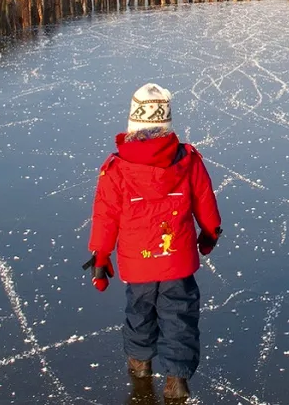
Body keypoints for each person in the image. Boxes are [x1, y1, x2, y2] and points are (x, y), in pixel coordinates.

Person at [84, 83, 222, 401]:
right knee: (179, 316)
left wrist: (101, 256)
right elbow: (205, 201)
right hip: (178, 259)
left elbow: (105, 216)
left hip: (138, 262)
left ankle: (140, 363)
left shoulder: (115, 168)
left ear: (134, 122)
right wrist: (210, 233)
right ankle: (176, 379)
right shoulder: (188, 160)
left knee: (139, 312)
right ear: (166, 123)